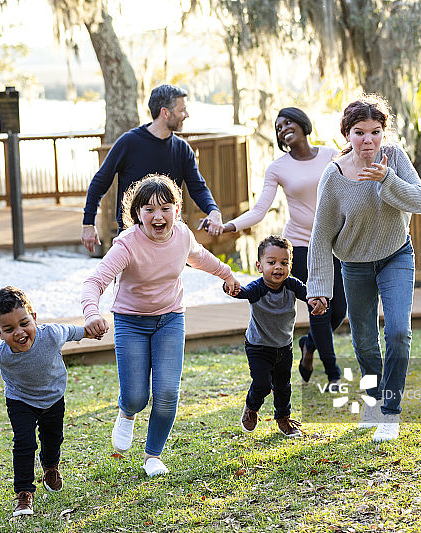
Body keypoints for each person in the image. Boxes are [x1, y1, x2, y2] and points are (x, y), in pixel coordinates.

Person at [82, 174, 240, 477]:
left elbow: (199, 257)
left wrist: (227, 274)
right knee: (136, 396)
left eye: (166, 208)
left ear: (177, 211)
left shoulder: (181, 235)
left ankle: (153, 455)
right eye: (149, 209)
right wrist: (91, 313)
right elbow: (95, 281)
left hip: (170, 318)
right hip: (131, 322)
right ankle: (127, 411)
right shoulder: (127, 245)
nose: (158, 216)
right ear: (137, 214)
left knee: (167, 392)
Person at [306, 95, 421, 442]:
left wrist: (387, 179)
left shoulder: (396, 159)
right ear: (347, 134)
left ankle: (389, 412)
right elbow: (321, 236)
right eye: (359, 132)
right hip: (355, 265)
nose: (368, 141)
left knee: (398, 333)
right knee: (364, 342)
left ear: (383, 132)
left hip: (396, 256)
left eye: (376, 132)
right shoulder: (333, 177)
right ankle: (373, 402)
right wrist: (319, 288)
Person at [222, 107, 344, 390]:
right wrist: (230, 227)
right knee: (319, 307)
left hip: (334, 243)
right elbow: (260, 209)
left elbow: (349, 186)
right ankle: (333, 373)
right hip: (300, 245)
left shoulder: (330, 155)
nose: (283, 128)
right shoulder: (278, 167)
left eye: (288, 122)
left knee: (338, 310)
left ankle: (308, 344)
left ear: (303, 124)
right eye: (278, 126)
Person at [0, 286, 102, 517]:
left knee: (53, 438)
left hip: (53, 397)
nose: (19, 333)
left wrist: (89, 332)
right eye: (8, 329)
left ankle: (50, 467)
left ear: (35, 319)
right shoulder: (0, 352)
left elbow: (72, 331)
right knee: (24, 443)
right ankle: (24, 494)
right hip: (20, 401)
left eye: (24, 323)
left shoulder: (50, 334)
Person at [81, 84, 225, 253]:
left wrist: (213, 211)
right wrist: (88, 223)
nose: (186, 115)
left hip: (167, 237)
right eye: (182, 110)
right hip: (131, 238)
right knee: (127, 281)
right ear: (165, 113)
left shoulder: (182, 149)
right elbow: (100, 182)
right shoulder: (129, 142)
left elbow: (198, 187)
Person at [224, 235, 325, 438]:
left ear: (290, 265)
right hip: (258, 346)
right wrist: (232, 289)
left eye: (284, 263)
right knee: (262, 384)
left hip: (283, 346)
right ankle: (251, 407)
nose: (278, 268)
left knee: (282, 386)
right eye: (271, 263)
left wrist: (316, 301)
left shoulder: (292, 285)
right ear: (259, 266)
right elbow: (242, 292)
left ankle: (283, 420)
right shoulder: (257, 288)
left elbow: (308, 294)